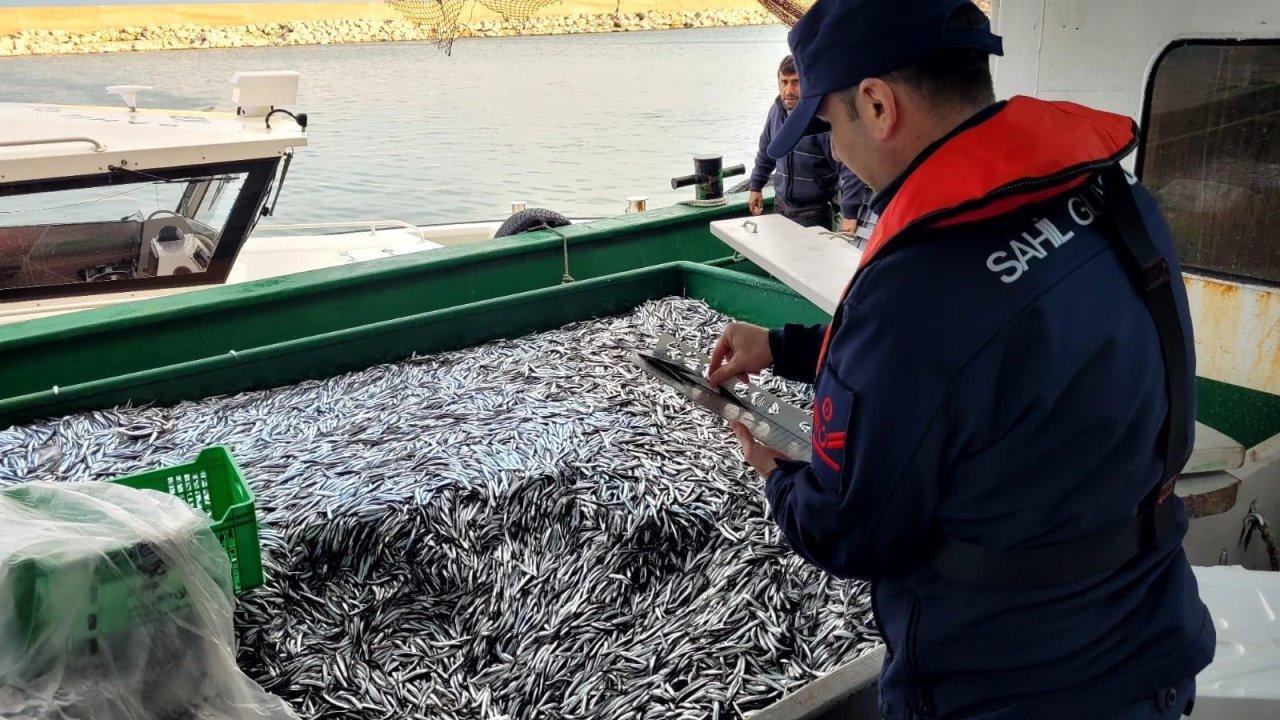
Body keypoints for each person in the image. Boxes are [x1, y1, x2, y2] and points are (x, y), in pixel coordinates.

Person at [708, 1, 1214, 718]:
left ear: (877, 104)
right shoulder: (1113, 196)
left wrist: (775, 471)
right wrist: (785, 346)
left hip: (1003, 688)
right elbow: (979, 362)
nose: (836, 153)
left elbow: (847, 530)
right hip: (1152, 644)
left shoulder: (912, 291)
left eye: (827, 127)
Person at [748, 55, 871, 231]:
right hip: (780, 205)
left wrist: (850, 214)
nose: (789, 90)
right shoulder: (776, 112)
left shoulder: (824, 120)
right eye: (784, 82)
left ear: (807, 83)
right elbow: (765, 153)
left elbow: (852, 169)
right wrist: (756, 186)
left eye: (796, 82)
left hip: (815, 211)